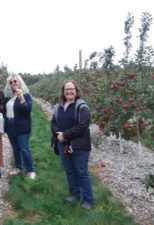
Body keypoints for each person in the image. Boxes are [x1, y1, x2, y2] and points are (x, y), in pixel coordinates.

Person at [51, 80, 94, 210]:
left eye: (71, 89)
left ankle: (88, 200)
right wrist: (57, 134)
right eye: (66, 89)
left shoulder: (82, 107)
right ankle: (75, 194)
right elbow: (53, 123)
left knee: (81, 172)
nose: (69, 91)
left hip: (79, 145)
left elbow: (82, 126)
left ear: (76, 90)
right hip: (62, 144)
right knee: (69, 170)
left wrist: (65, 135)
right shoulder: (59, 107)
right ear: (63, 92)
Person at [4, 74, 36, 179]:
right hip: (9, 125)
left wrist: (21, 98)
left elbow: (27, 111)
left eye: (15, 81)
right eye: (11, 82)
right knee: (15, 148)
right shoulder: (8, 96)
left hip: (22, 126)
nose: (13, 83)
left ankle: (31, 170)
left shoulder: (26, 95)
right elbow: (4, 109)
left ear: (19, 82)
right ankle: (18, 167)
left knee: (24, 149)